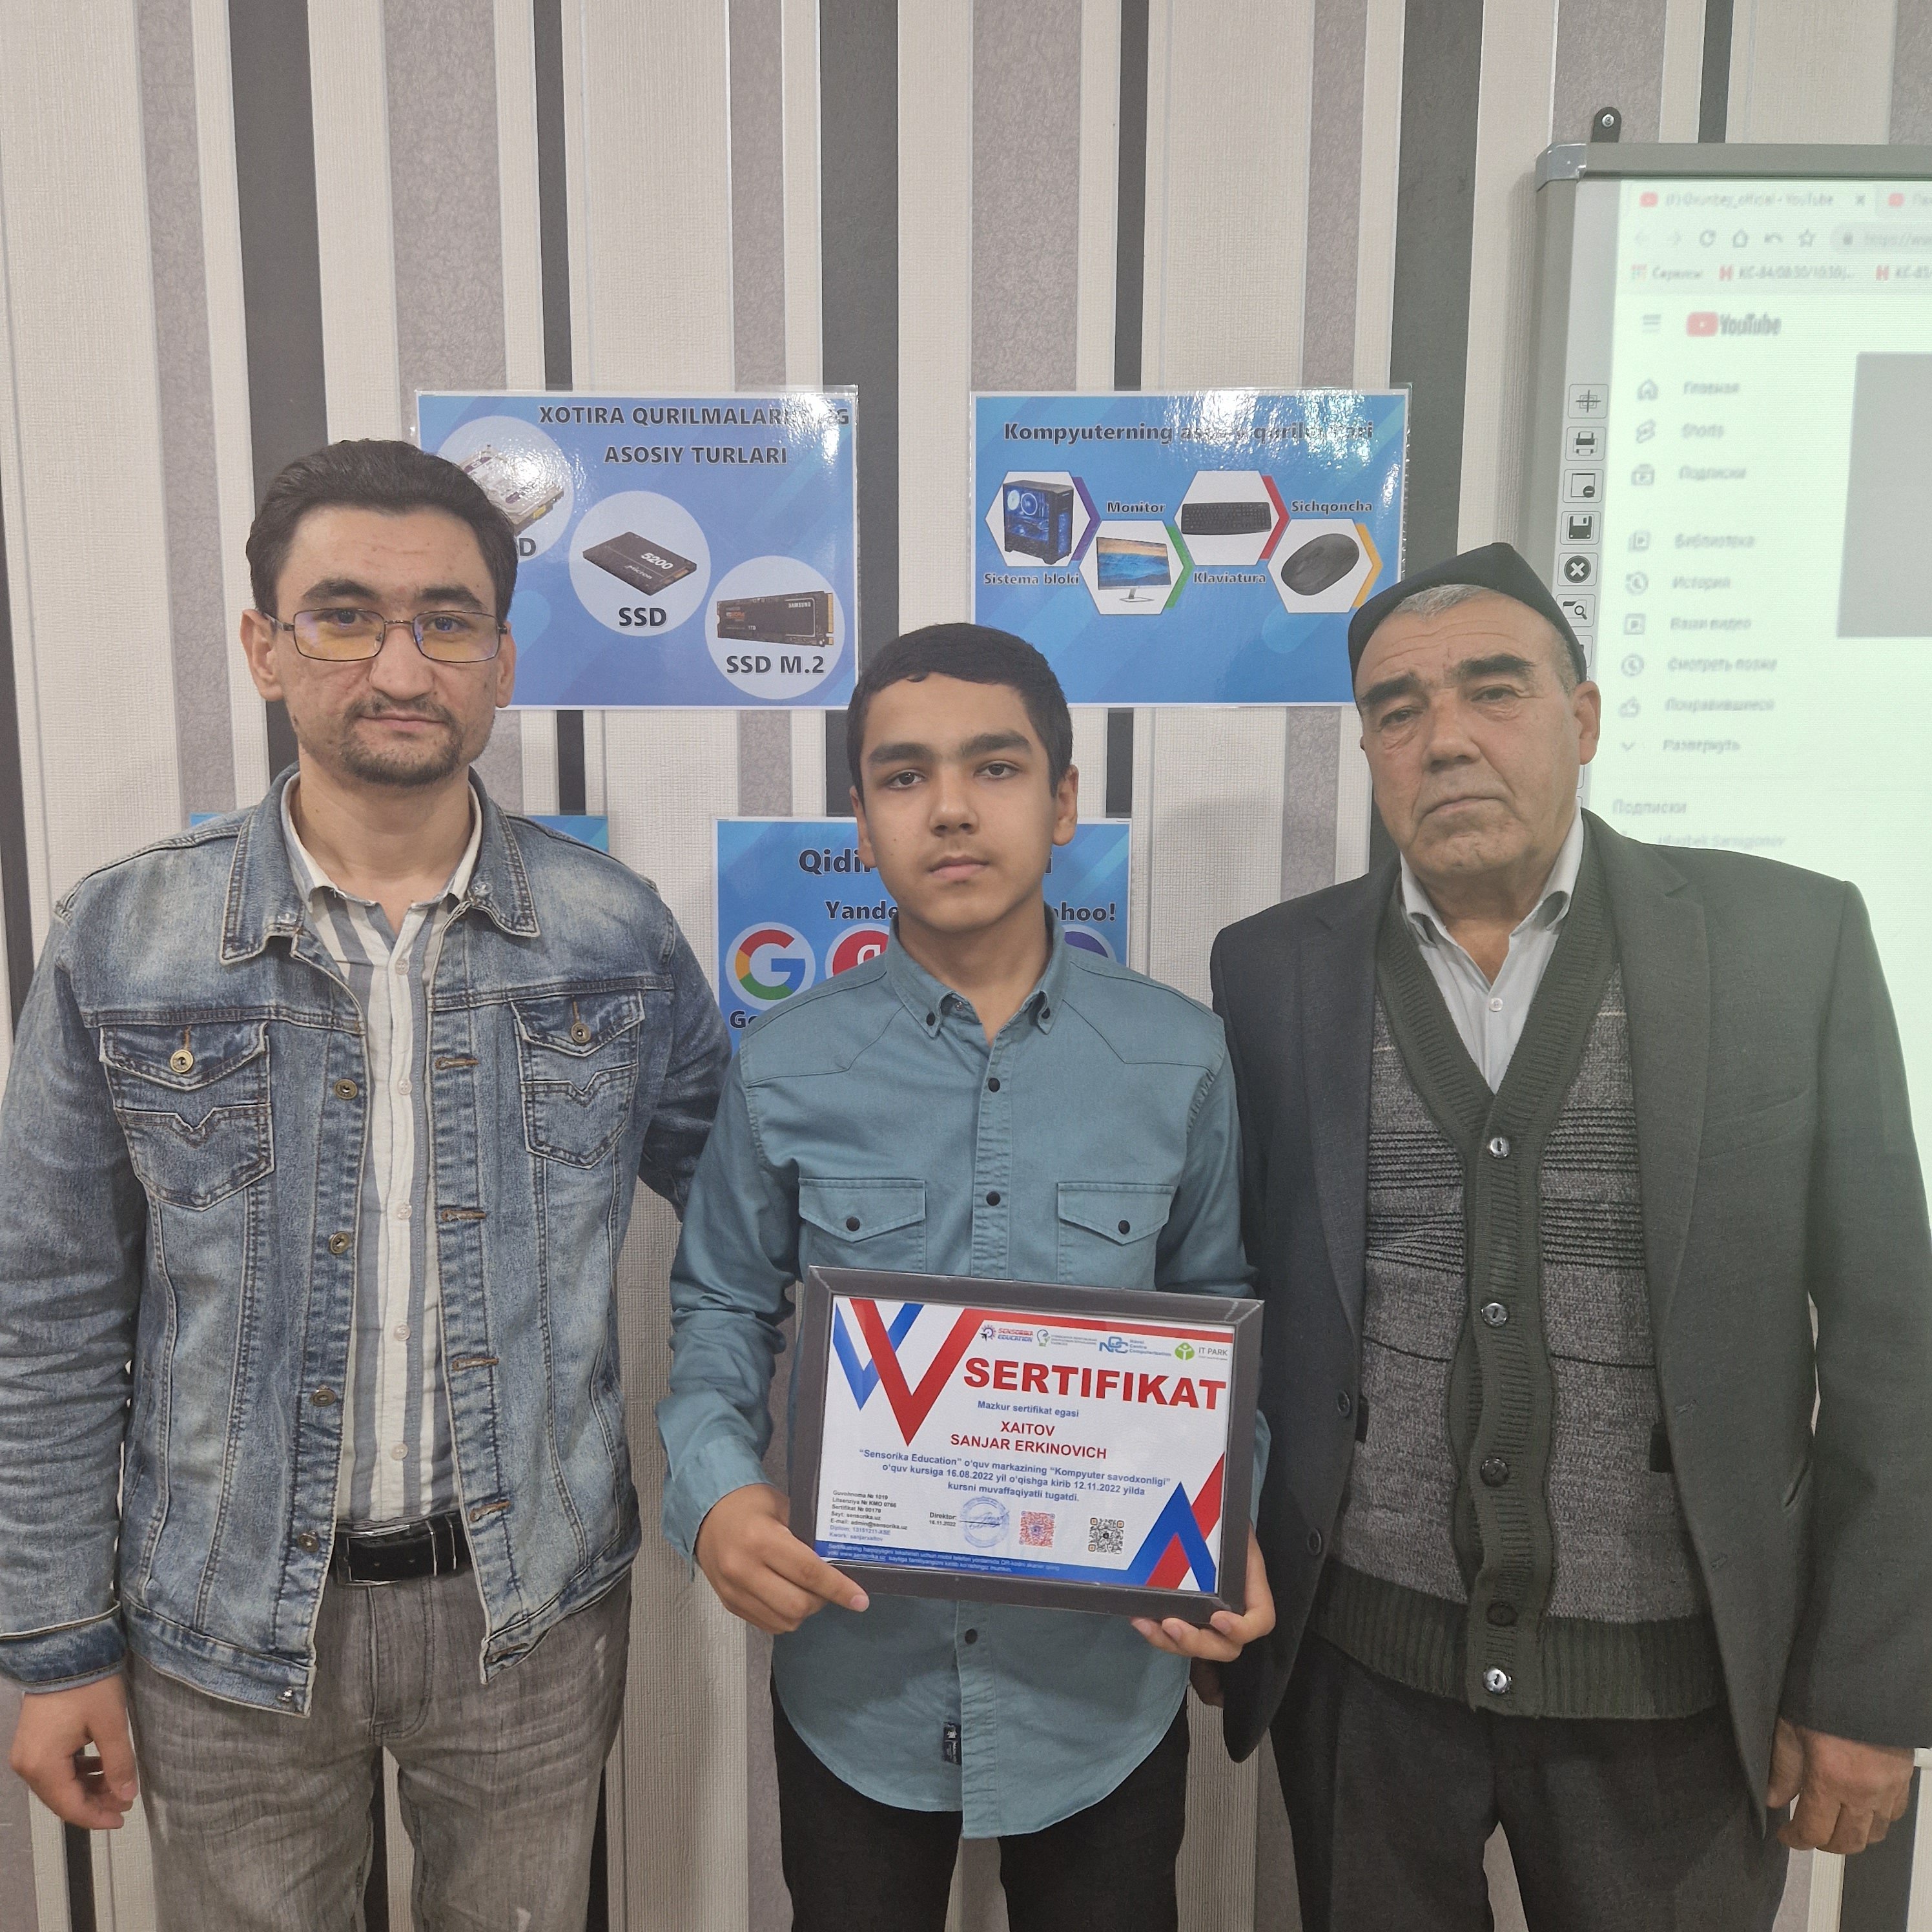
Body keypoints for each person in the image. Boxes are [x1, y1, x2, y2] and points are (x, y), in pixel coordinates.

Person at [0, 440, 729, 1929]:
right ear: (265, 645)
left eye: (445, 621)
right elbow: (49, 1311)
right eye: (344, 615)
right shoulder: (122, 938)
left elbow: (743, 1223)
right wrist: (56, 1638)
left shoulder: (614, 935)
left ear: (501, 658)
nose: (399, 665)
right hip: (219, 1630)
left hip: (528, 1616)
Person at [1209, 542, 1932, 1931]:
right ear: (1368, 747)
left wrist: (1862, 1682)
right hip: (1362, 1675)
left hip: (1673, 1692)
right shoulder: (1271, 967)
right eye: (1399, 708)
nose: (1446, 738)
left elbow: (1893, 1342)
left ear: (1582, 717)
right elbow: (1237, 1289)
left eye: (1494, 689)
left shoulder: (1789, 942)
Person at [657, 623, 1274, 1932]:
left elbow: (1217, 1307)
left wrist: (1230, 1527)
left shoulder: (1180, 1058)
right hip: (858, 1682)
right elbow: (720, 1303)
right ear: (861, 819)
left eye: (995, 768)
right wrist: (716, 1495)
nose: (948, 808)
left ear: (1062, 801)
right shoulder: (784, 1065)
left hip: (1100, 1692)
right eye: (903, 775)